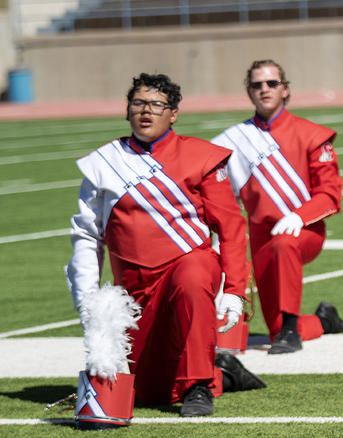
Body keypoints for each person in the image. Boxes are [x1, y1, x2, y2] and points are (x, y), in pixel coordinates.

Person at [66, 73, 266, 418]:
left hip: (187, 268)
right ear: (127, 110)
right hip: (135, 291)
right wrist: (87, 301)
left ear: (173, 113)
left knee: (193, 274)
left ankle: (199, 385)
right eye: (138, 103)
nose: (146, 111)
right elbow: (86, 236)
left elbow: (231, 228)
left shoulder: (202, 156)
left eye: (157, 105)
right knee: (152, 392)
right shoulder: (103, 163)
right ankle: (223, 371)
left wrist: (235, 291)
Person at [212, 60, 343, 355]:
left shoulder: (312, 134)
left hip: (304, 232)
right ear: (249, 92)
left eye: (272, 83)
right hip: (261, 236)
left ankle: (290, 327)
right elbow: (216, 192)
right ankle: (324, 320)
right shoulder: (234, 140)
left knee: (285, 243)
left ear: (285, 89)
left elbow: (330, 195)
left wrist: (299, 216)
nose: (264, 89)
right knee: (277, 331)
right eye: (257, 84)